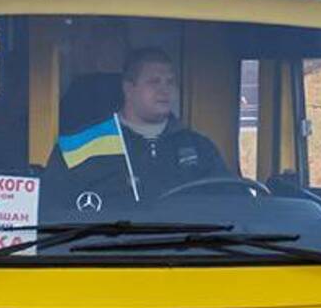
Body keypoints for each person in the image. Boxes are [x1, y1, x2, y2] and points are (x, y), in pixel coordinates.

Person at [42, 48, 227, 213]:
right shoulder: (75, 149)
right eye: (154, 82)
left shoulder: (201, 149)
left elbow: (233, 208)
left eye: (170, 82)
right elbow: (49, 218)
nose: (165, 90)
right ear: (128, 88)